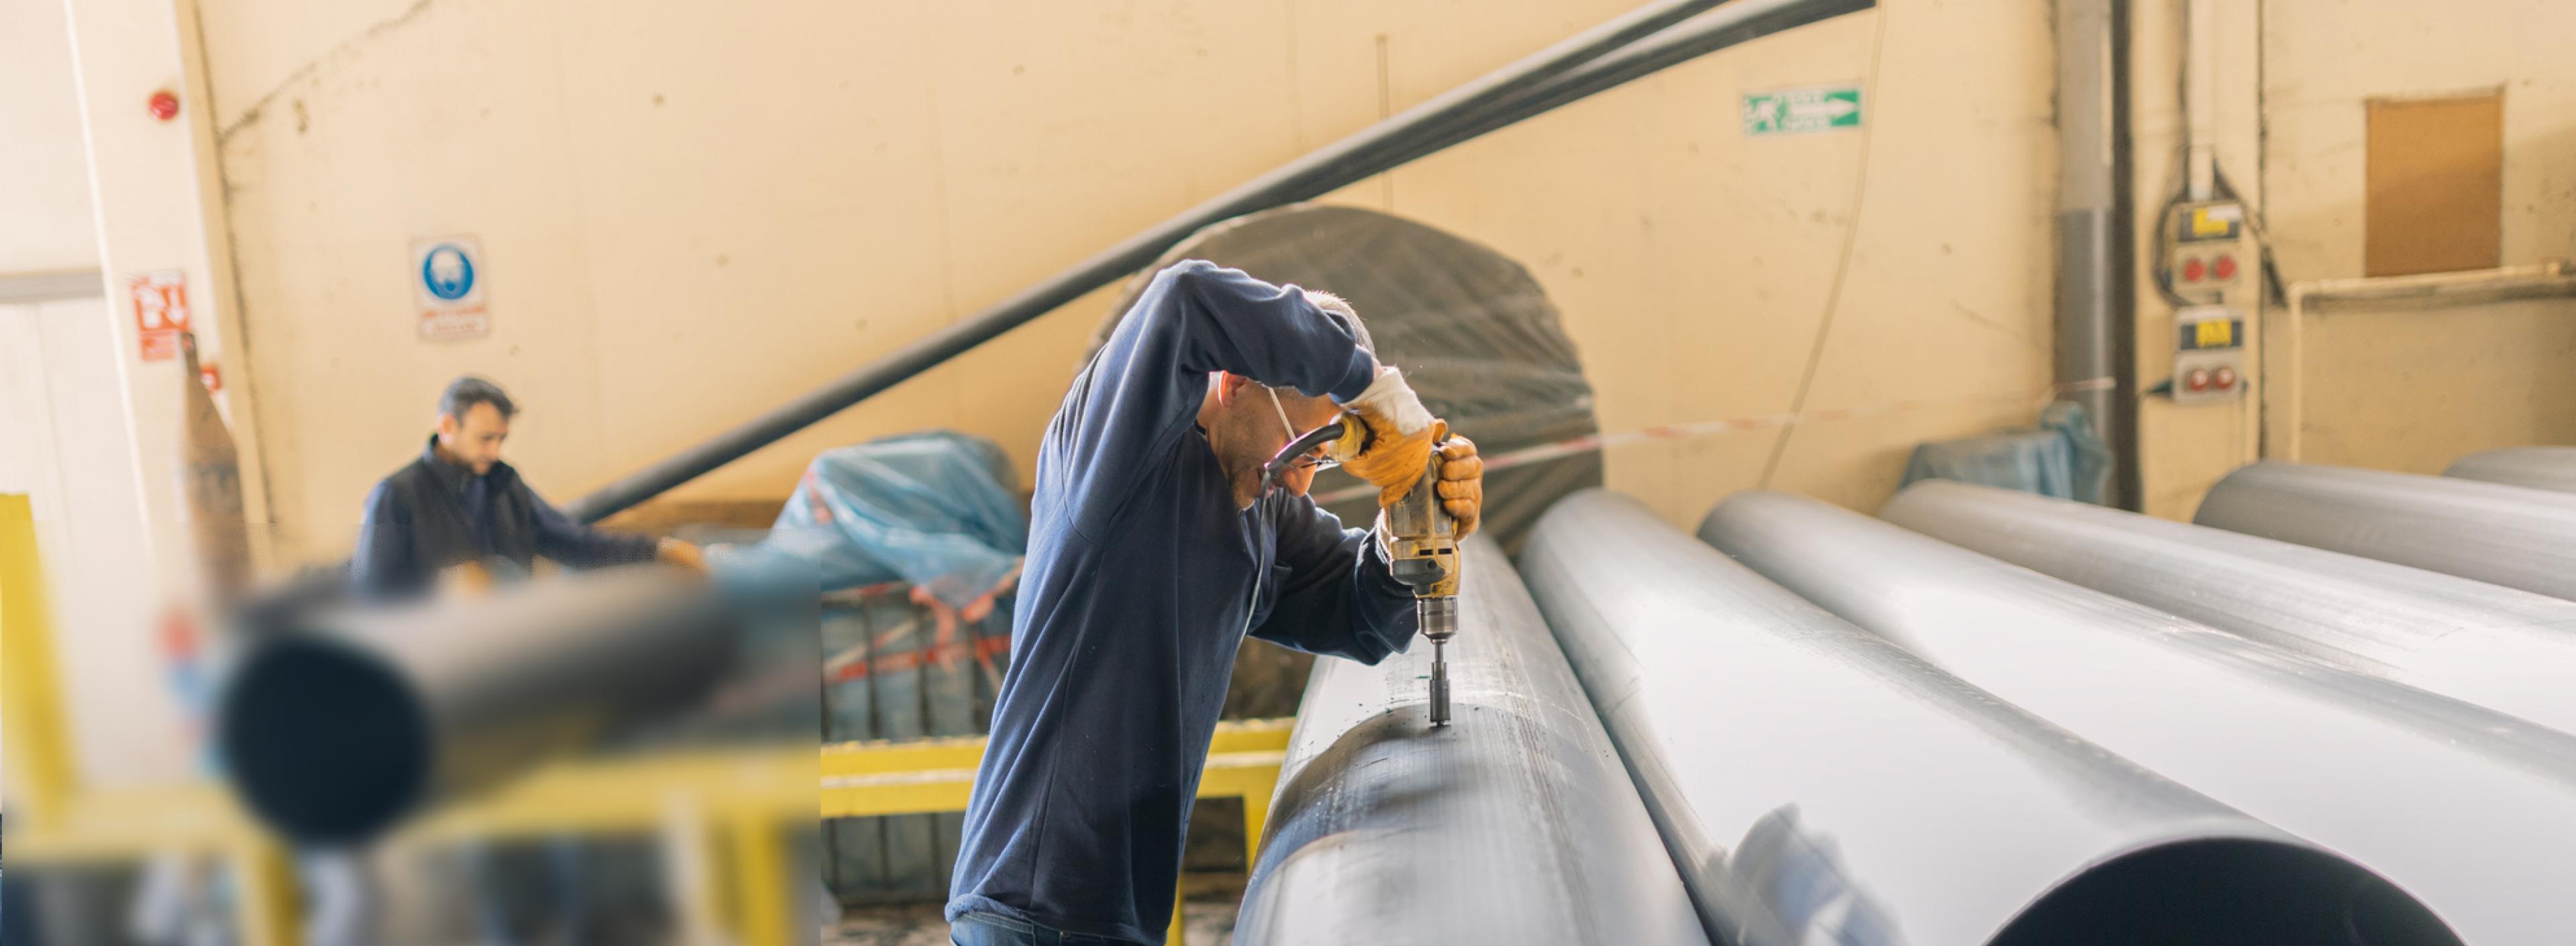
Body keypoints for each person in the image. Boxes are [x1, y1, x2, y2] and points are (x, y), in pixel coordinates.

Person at [946, 260, 1485, 946]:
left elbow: (1359, 615)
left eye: (1321, 459)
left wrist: (1409, 524)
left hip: (1115, 913)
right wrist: (1377, 392)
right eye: (1302, 446)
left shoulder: (1260, 508)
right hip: (1032, 905)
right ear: (1233, 383)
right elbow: (1187, 298)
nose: (1300, 482)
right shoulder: (1121, 455)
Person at [353, 376, 702, 600]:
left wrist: (658, 551)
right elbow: (372, 595)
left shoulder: (503, 485)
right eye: (485, 439)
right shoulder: (397, 495)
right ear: (447, 426)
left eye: (501, 440)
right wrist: (442, 589)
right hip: (440, 667)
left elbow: (575, 543)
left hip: (511, 651)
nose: (495, 452)